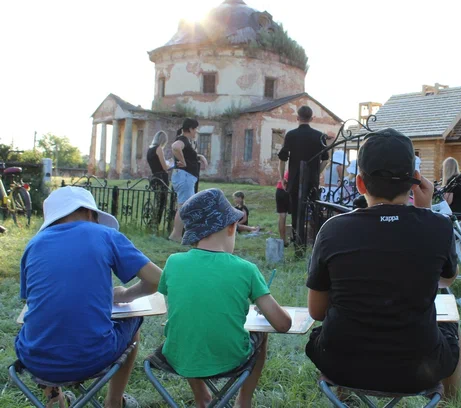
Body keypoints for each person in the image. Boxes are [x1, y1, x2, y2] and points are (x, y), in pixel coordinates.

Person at [305, 128, 461, 400]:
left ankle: (346, 399)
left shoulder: (332, 230)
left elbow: (317, 311)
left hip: (340, 365)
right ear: (414, 181)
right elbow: (446, 279)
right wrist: (425, 214)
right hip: (418, 369)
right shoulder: (439, 227)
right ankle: (449, 403)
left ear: (360, 183)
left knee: (336, 323)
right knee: (452, 324)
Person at [15, 186, 162, 408]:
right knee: (133, 320)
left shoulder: (33, 244)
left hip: (34, 359)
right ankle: (114, 401)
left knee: (43, 327)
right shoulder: (106, 235)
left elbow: (31, 301)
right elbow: (157, 279)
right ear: (90, 213)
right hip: (93, 357)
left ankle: (56, 400)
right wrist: (126, 294)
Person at [157, 188, 292, 408]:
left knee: (190, 330)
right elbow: (283, 324)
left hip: (177, 356)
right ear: (231, 227)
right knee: (261, 335)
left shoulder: (173, 262)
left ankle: (202, 397)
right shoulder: (246, 269)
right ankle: (243, 400)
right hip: (231, 359)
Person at [278, 106, 329, 246]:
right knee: (315, 210)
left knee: (296, 212)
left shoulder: (291, 135)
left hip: (295, 179)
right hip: (312, 180)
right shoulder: (320, 136)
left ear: (297, 117)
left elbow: (282, 159)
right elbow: (326, 160)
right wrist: (316, 173)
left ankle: (298, 242)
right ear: (312, 118)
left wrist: (283, 178)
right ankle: (318, 241)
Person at [169, 118, 208, 242]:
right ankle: (176, 235)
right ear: (190, 129)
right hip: (185, 176)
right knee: (184, 207)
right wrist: (184, 162)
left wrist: (200, 157)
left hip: (184, 176)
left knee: (184, 206)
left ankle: (179, 234)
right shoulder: (182, 140)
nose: (196, 131)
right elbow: (175, 147)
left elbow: (188, 155)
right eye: (195, 129)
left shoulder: (185, 141)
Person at [147, 130, 170, 224]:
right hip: (162, 177)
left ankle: (153, 221)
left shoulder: (150, 150)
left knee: (157, 201)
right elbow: (164, 167)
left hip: (154, 176)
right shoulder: (159, 148)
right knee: (162, 202)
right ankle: (156, 223)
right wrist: (169, 164)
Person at [275, 171, 290, 245]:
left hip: (280, 190)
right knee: (283, 216)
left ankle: (283, 240)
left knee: (282, 216)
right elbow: (286, 181)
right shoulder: (295, 169)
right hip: (284, 191)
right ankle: (283, 240)